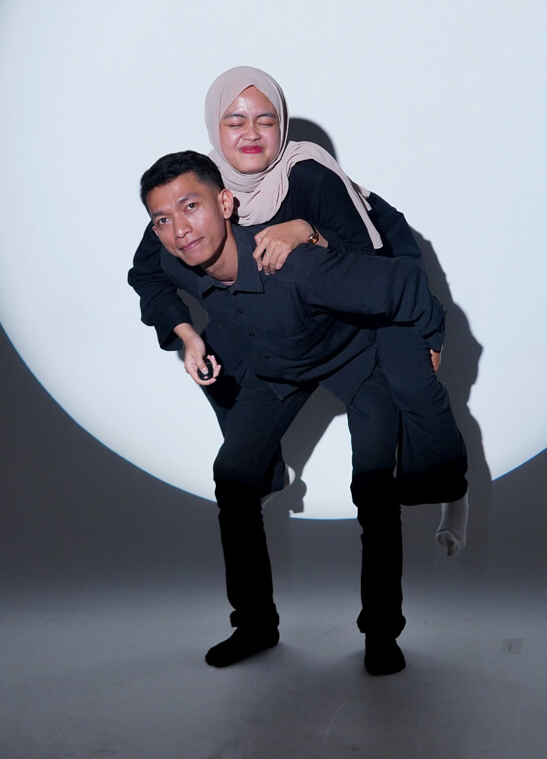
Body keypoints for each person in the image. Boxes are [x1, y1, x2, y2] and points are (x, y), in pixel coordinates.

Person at [135, 150, 463, 674]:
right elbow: (145, 276)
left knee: (373, 489)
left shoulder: (295, 266)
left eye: (191, 206)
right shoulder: (174, 253)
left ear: (226, 203)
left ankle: (381, 632)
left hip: (354, 361)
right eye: (163, 219)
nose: (180, 229)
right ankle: (254, 625)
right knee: (233, 478)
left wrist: (432, 337)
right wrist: (187, 334)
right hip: (276, 368)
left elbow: (398, 284)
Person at [129, 66, 468, 548]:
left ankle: (450, 490)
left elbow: (367, 265)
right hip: (293, 292)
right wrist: (185, 334)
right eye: (234, 122)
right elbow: (148, 271)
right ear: (214, 128)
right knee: (219, 363)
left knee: (412, 380)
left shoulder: (308, 174)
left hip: (376, 258)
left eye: (265, 121)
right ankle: (264, 474)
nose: (251, 134)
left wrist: (307, 230)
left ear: (281, 125)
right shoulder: (195, 190)